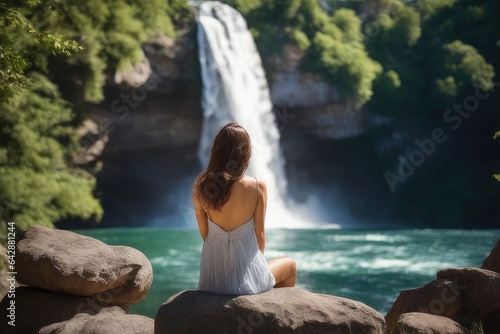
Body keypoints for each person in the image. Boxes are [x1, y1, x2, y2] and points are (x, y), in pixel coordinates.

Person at [193, 122, 296, 295]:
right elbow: (260, 236)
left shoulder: (201, 187)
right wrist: (251, 270)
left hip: (213, 280)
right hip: (247, 282)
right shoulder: (257, 186)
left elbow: (206, 235)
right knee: (290, 264)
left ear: (217, 151)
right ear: (245, 153)